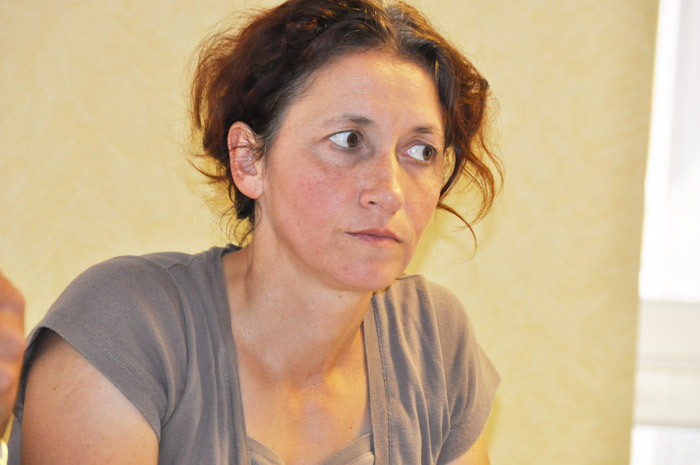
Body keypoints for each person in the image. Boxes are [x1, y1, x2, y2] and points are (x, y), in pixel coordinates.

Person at [11, 0, 502, 463]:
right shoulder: (126, 329)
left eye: (421, 151)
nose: (390, 191)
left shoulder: (434, 343)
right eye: (349, 140)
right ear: (248, 160)